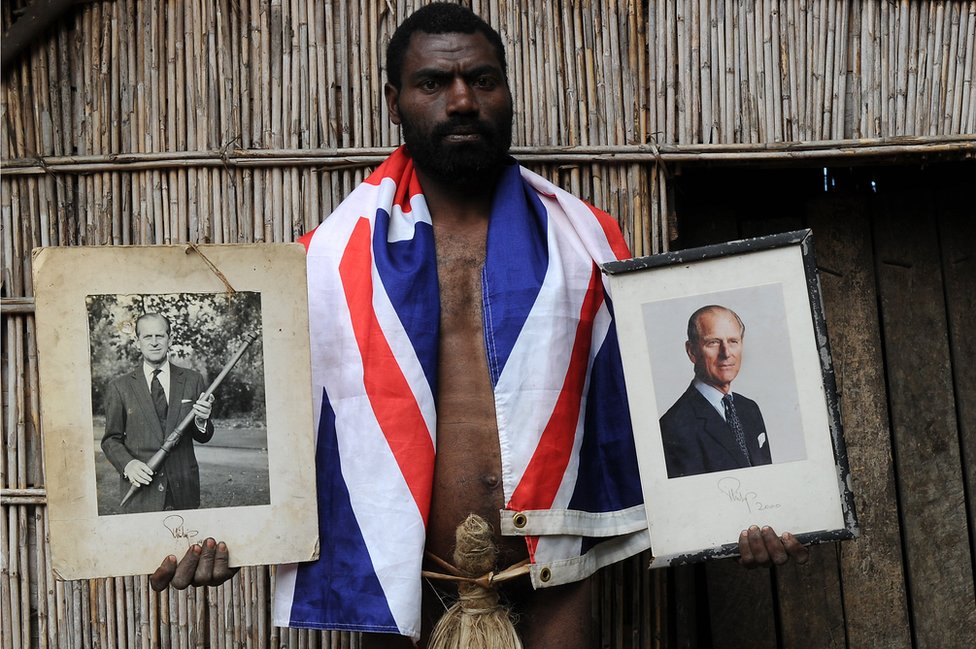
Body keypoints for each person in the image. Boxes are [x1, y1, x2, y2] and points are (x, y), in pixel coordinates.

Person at [149, 4, 808, 647]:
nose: (461, 100)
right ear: (394, 99)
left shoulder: (589, 242)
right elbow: (279, 429)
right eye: (434, 82)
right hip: (403, 578)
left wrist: (745, 507)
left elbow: (653, 400)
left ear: (506, 90)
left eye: (482, 80)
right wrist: (211, 532)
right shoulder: (321, 260)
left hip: (555, 579)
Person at [101, 312, 215, 513]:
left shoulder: (193, 380)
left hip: (184, 491)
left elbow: (203, 436)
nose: (154, 342)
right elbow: (111, 440)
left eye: (160, 336)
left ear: (169, 339)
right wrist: (128, 465)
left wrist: (201, 420)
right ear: (137, 342)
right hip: (142, 493)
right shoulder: (119, 387)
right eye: (147, 336)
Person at [660, 305, 772, 478]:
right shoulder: (673, 427)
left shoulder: (749, 408)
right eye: (713, 342)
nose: (726, 353)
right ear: (692, 351)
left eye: (733, 341)